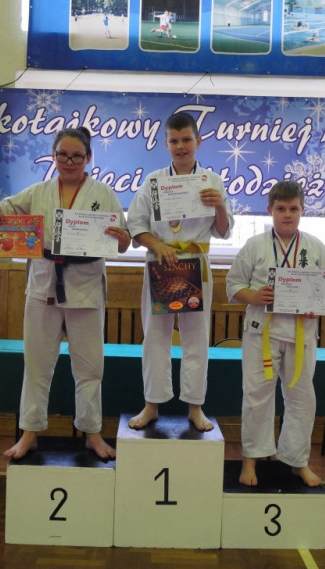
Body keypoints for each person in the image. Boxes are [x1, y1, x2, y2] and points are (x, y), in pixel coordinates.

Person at [0, 127, 131, 460]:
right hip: (43, 285)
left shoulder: (103, 193)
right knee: (37, 363)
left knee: (90, 367)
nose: (69, 161)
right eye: (63, 154)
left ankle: (92, 433)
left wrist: (123, 239)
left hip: (86, 287)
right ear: (54, 155)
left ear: (88, 158)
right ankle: (29, 432)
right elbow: (3, 208)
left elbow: (123, 242)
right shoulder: (38, 191)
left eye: (77, 156)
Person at [225, 180, 325, 487]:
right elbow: (233, 286)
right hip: (261, 332)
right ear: (270, 210)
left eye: (293, 208)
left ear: (302, 210)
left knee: (302, 399)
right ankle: (251, 459)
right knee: (256, 397)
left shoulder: (316, 247)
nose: (287, 214)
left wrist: (316, 304)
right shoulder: (255, 246)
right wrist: (254, 296)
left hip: (302, 335)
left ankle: (297, 461)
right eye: (281, 209)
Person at [126, 111, 234, 431]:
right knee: (155, 337)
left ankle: (195, 408)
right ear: (166, 144)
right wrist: (157, 245)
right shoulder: (154, 182)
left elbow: (223, 231)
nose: (181, 146)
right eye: (174, 141)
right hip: (160, 264)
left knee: (196, 338)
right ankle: (151, 405)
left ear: (198, 141)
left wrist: (220, 206)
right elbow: (136, 226)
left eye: (186, 139)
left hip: (195, 264)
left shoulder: (212, 182)